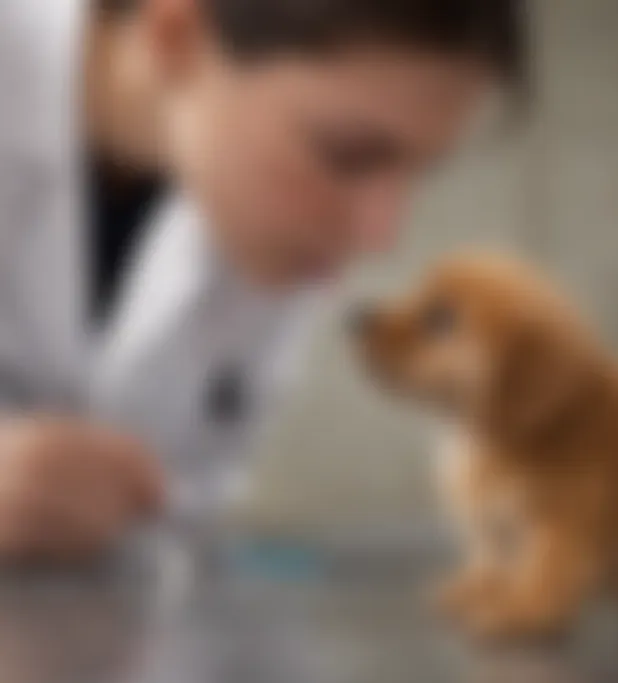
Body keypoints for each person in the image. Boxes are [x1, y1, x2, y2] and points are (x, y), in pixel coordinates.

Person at [0, 0, 525, 562]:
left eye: (415, 172)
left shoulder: (250, 211)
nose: (379, 234)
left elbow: (177, 513)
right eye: (347, 156)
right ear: (176, 35)